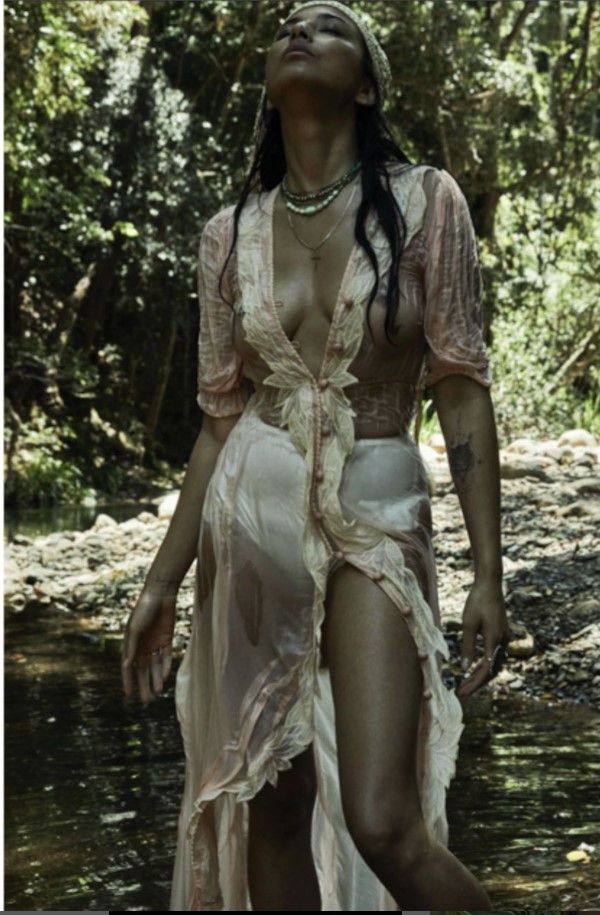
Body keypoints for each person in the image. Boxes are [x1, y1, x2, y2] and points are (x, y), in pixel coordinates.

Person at [121, 1, 510, 910]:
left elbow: (459, 385)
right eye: (288, 26)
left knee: (384, 821)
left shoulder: (426, 202)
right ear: (269, 85)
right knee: (271, 800)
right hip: (250, 515)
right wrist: (159, 582)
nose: (299, 32)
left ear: (365, 85)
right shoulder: (230, 233)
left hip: (376, 503)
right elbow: (219, 421)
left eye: (329, 27)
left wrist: (489, 574)